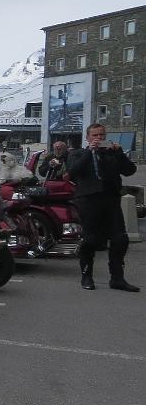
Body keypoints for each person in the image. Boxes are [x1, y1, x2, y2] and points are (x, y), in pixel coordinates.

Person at [66, 123, 138, 291]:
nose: (99, 138)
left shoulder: (112, 154)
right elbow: (74, 171)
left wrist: (119, 153)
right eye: (95, 135)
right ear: (87, 138)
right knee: (90, 240)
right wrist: (90, 152)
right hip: (88, 201)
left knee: (120, 239)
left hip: (111, 200)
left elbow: (129, 171)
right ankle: (86, 276)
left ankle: (117, 278)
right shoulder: (78, 154)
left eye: (102, 135)